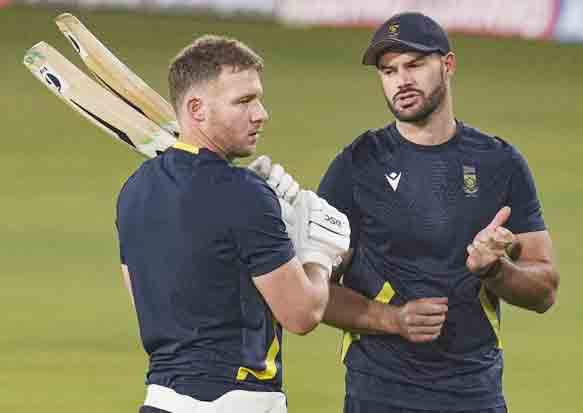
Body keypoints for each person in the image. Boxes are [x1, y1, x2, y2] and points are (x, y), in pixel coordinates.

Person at [313, 12, 560, 413]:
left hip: (474, 394)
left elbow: (545, 291)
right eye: (388, 71)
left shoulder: (500, 163)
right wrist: (392, 319)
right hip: (378, 395)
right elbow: (308, 289)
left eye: (414, 65)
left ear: (448, 65)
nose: (401, 80)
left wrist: (495, 270)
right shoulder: (357, 165)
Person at [115, 35, 350, 413]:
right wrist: (318, 254)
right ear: (196, 109)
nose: (261, 113)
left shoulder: (134, 191)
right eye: (243, 101)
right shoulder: (244, 194)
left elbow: (149, 298)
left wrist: (272, 229)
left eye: (258, 99)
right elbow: (302, 314)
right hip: (237, 400)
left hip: (160, 399)